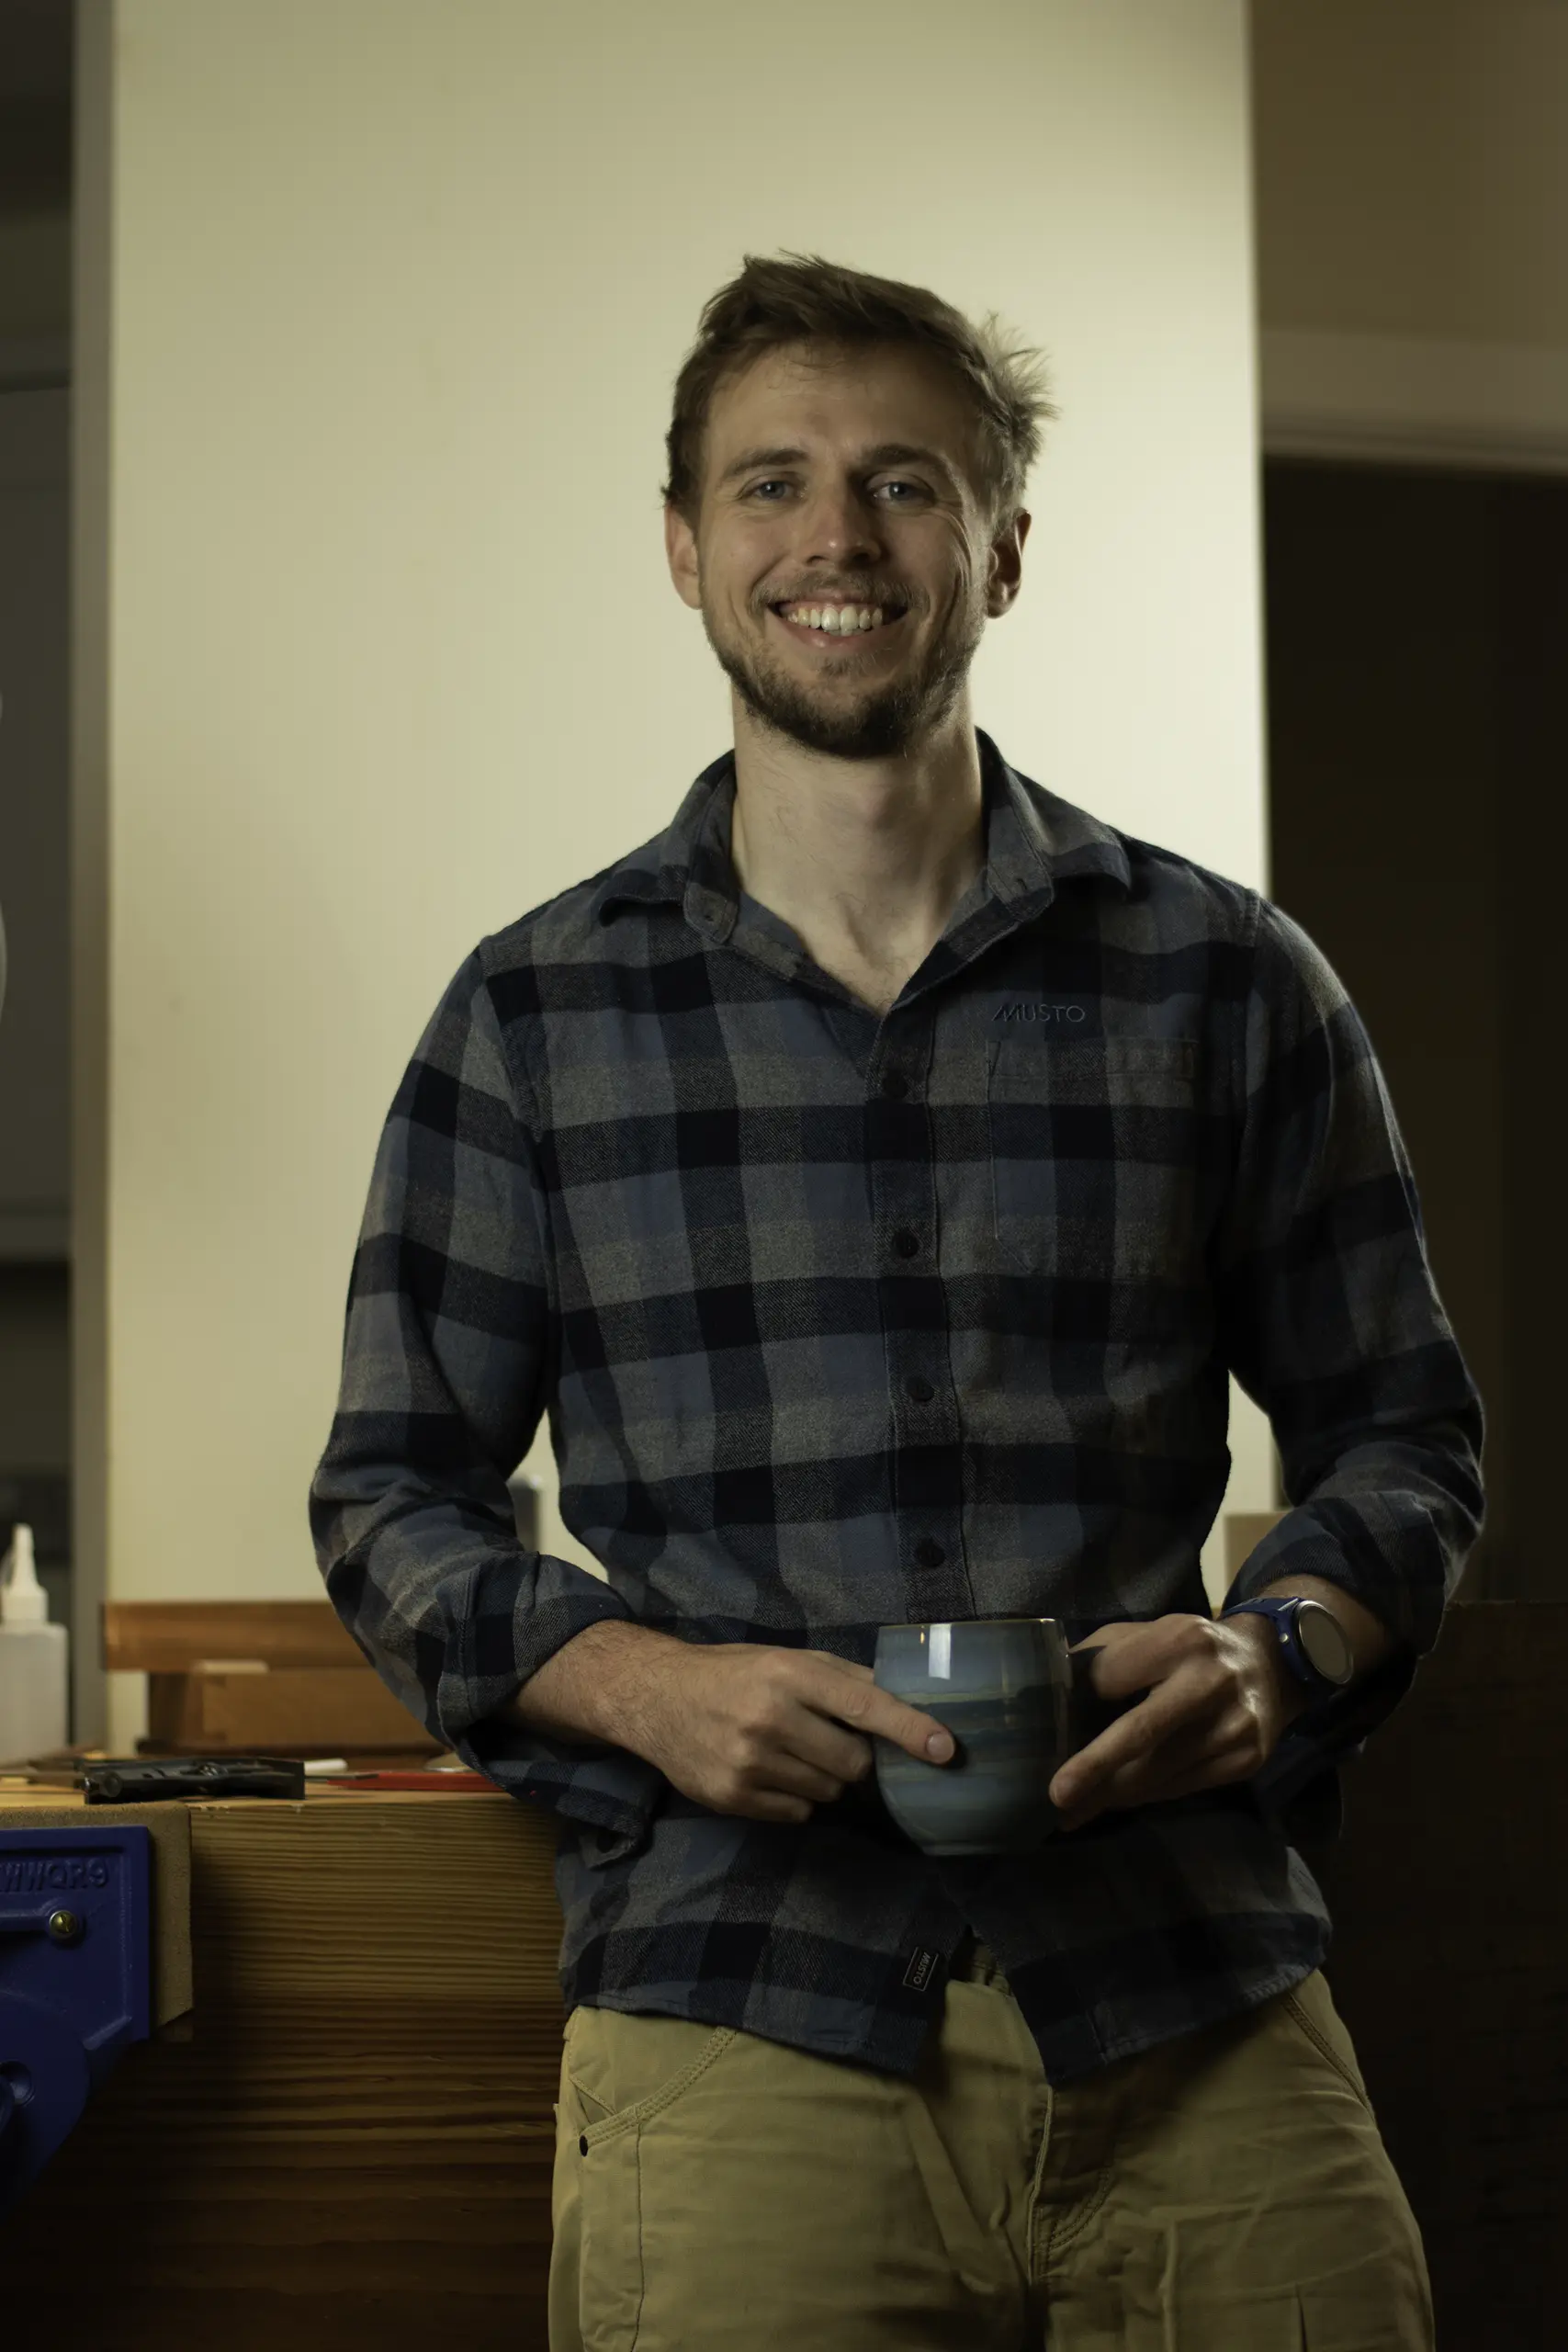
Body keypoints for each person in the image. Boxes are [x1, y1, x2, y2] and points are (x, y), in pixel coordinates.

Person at [310, 254, 1482, 2350]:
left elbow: (1408, 1434)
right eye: (770, 485)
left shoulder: (1231, 981)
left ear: (1003, 548)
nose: (834, 538)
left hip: (1190, 1984)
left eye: (903, 484)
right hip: (742, 2007)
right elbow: (394, 1493)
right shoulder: (531, 1016)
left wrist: (1273, 1647)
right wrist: (643, 1684)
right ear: (685, 548)